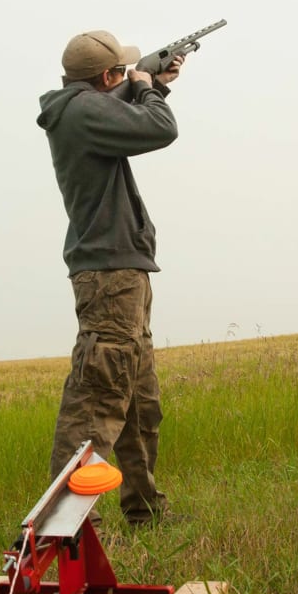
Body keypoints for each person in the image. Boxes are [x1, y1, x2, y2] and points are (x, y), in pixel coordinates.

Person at [37, 30, 185, 528]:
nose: (125, 76)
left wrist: (151, 84)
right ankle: (65, 528)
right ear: (107, 78)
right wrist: (146, 87)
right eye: (119, 73)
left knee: (141, 406)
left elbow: (138, 119)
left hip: (122, 272)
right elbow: (160, 129)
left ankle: (145, 513)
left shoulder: (87, 110)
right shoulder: (82, 113)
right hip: (109, 277)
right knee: (97, 400)